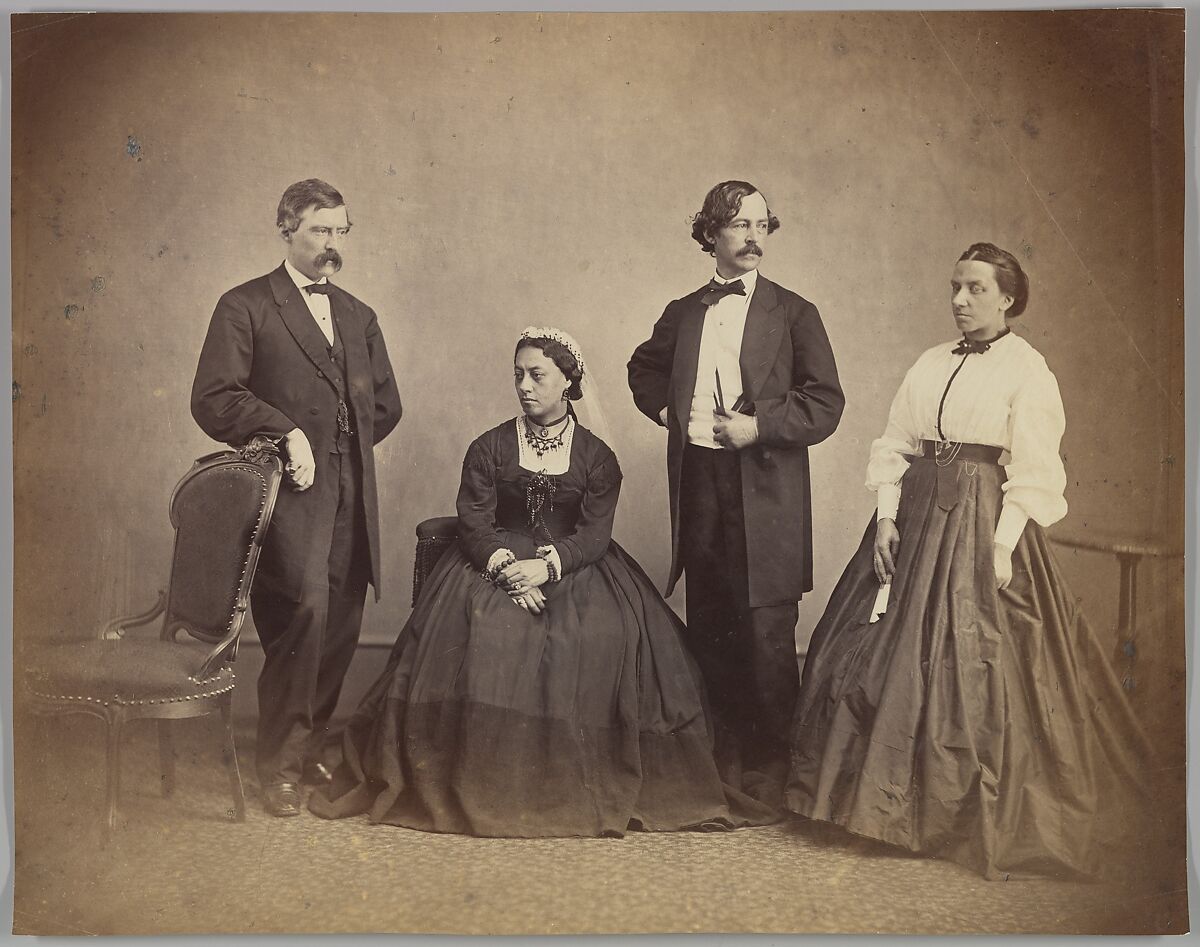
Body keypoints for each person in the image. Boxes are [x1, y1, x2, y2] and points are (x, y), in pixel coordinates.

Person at [309, 327, 773, 836]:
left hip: (574, 566)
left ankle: (568, 782)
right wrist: (508, 569)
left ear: (568, 382)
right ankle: (485, 778)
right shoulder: (489, 447)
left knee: (604, 636)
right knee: (484, 630)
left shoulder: (597, 457)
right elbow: (474, 521)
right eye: (519, 376)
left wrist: (547, 566)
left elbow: (595, 535)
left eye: (538, 375)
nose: (525, 386)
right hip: (491, 564)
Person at [786, 242, 1151, 880]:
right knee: (860, 648)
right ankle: (861, 803)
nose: (960, 300)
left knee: (977, 658)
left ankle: (940, 812)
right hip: (917, 511)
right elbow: (897, 441)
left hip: (981, 522)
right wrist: (888, 518)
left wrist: (1003, 546)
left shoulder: (1028, 370)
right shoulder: (930, 362)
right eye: (955, 287)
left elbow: (1034, 470)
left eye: (976, 289)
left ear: (1008, 298)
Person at [627, 181, 844, 809]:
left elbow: (826, 403)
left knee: (767, 630)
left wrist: (760, 425)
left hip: (769, 490)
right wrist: (674, 414)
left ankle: (775, 769)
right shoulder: (686, 310)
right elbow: (644, 371)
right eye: (737, 225)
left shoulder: (795, 312)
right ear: (710, 236)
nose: (752, 237)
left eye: (761, 225)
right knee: (714, 620)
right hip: (702, 483)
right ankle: (721, 763)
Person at [191, 179, 402, 817]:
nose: (332, 244)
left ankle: (308, 746)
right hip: (288, 491)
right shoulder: (246, 305)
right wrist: (284, 432)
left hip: (350, 492)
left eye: (341, 231)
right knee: (301, 616)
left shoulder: (359, 316)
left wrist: (343, 444)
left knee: (341, 618)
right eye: (319, 231)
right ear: (287, 230)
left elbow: (387, 405)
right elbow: (214, 396)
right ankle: (277, 765)